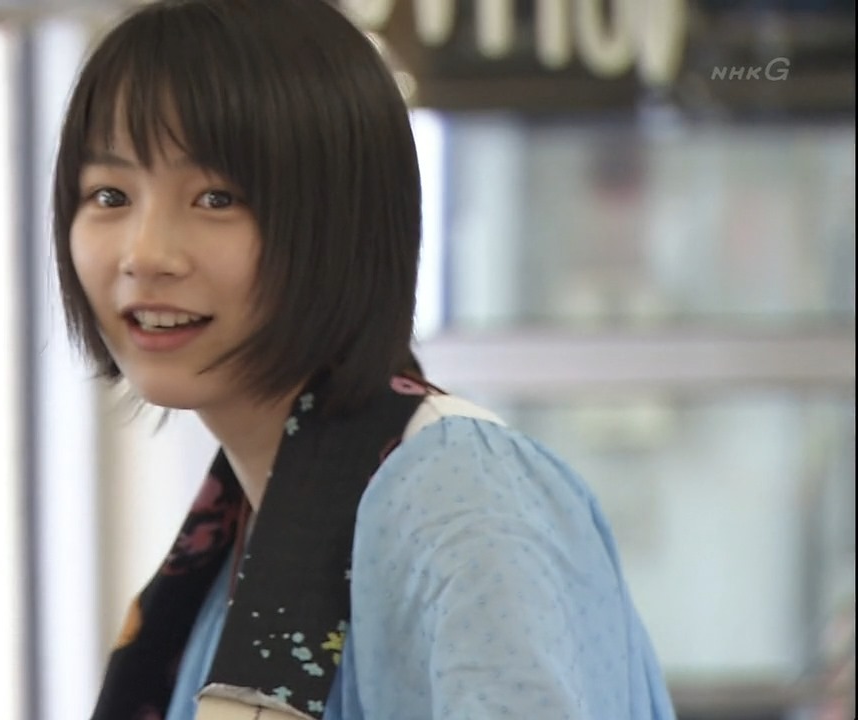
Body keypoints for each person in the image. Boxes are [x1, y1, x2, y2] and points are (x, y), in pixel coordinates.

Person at [50, 1, 678, 718]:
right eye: (109, 195)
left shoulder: (455, 494)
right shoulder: (236, 546)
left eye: (217, 198)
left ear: (341, 223)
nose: (144, 254)